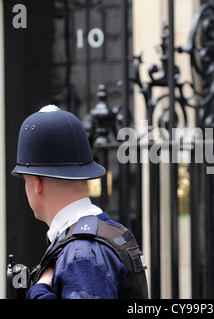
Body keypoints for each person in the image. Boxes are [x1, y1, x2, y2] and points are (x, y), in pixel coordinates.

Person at [11, 105, 148, 299]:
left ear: (36, 183)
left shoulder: (81, 255)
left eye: (25, 180)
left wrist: (39, 291)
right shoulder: (103, 233)